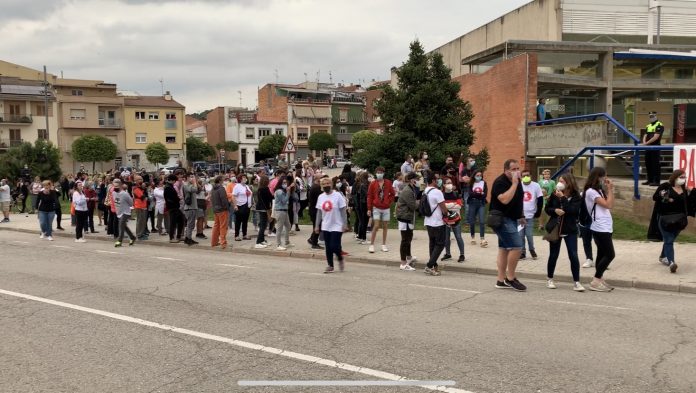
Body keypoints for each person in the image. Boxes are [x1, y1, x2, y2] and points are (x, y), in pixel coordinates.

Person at [490, 159, 527, 291]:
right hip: (501, 219)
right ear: (506, 171)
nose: (517, 171)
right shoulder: (500, 182)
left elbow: (519, 199)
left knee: (504, 249)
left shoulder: (518, 182)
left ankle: (500, 280)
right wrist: (515, 184)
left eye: (518, 168)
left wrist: (521, 215)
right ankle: (510, 278)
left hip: (512, 218)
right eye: (514, 169)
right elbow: (505, 199)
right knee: (517, 246)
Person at [545, 173, 585, 291]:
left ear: (569, 183)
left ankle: (577, 282)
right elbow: (547, 209)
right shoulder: (554, 194)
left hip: (570, 229)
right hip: (556, 228)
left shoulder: (576, 196)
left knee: (573, 255)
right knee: (553, 255)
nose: (560, 183)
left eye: (562, 181)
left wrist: (562, 198)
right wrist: (555, 210)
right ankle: (550, 279)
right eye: (559, 181)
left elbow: (573, 210)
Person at [651, 170, 696, 273]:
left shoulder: (684, 189)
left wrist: (692, 190)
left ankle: (663, 256)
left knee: (669, 240)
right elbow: (655, 197)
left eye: (684, 177)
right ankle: (672, 263)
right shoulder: (665, 186)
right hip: (665, 219)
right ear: (675, 177)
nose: (683, 179)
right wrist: (664, 197)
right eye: (681, 176)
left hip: (679, 220)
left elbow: (691, 202)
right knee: (669, 240)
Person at [583, 167, 615, 292]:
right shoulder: (591, 192)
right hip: (599, 227)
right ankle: (596, 280)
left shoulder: (599, 191)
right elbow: (609, 205)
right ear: (598, 177)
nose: (606, 179)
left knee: (601, 254)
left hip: (606, 225)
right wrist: (611, 189)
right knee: (610, 254)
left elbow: (610, 203)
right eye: (604, 177)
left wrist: (608, 190)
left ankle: (599, 279)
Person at [315, 177, 348, 273]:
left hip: (337, 225)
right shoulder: (321, 197)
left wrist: (344, 224)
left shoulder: (337, 195)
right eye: (324, 184)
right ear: (321, 186)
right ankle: (330, 265)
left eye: (328, 183)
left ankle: (340, 258)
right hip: (326, 225)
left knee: (334, 246)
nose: (326, 186)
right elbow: (319, 213)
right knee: (328, 247)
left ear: (331, 184)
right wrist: (317, 226)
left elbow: (343, 211)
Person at [422, 170, 448, 276]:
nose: (438, 181)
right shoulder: (437, 192)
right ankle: (429, 266)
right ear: (433, 180)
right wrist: (448, 214)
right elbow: (444, 209)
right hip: (438, 222)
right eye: (437, 179)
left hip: (428, 221)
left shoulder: (425, 191)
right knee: (440, 244)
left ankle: (434, 267)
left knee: (432, 244)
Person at [367, 166, 395, 253]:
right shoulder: (373, 183)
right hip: (376, 207)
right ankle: (371, 244)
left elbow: (393, 194)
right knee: (376, 225)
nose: (379, 174)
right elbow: (369, 196)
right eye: (378, 172)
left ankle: (383, 244)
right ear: (376, 173)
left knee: (385, 226)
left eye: (381, 172)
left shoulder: (388, 182)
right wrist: (369, 208)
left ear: (383, 173)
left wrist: (388, 201)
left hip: (386, 208)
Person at [395, 172, 418, 270]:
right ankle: (403, 263)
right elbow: (413, 206)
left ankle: (408, 257)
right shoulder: (408, 190)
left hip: (408, 216)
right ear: (411, 179)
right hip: (404, 217)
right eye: (416, 179)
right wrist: (420, 203)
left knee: (409, 237)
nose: (417, 181)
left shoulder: (411, 188)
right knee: (405, 239)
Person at [519, 169, 543, 260]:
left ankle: (532, 249)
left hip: (530, 215)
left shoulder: (536, 185)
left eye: (527, 175)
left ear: (530, 176)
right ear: (521, 177)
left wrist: (538, 211)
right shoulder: (519, 185)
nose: (526, 177)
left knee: (529, 235)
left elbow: (540, 199)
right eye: (524, 175)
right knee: (520, 235)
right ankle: (522, 252)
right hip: (520, 216)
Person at [442, 177, 465, 263]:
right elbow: (442, 207)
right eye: (447, 183)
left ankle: (462, 254)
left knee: (458, 237)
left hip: (456, 219)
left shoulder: (456, 194)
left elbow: (459, 206)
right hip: (446, 220)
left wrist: (447, 205)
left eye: (450, 183)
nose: (450, 184)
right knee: (446, 238)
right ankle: (448, 254)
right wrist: (453, 204)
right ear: (444, 185)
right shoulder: (441, 195)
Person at [642, 111, 664, 186]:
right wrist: (644, 142)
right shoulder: (648, 126)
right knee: (648, 163)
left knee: (655, 164)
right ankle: (650, 180)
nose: (651, 117)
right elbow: (645, 135)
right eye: (650, 116)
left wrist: (646, 143)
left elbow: (656, 137)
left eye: (653, 116)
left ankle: (656, 181)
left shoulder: (659, 125)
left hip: (655, 146)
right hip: (648, 147)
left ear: (656, 116)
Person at [467, 170, 488, 248]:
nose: (479, 177)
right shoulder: (471, 183)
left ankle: (482, 239)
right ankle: (472, 237)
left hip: (481, 203)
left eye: (480, 175)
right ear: (474, 175)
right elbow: (470, 194)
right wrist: (479, 193)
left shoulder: (484, 183)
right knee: (472, 221)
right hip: (472, 203)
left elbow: (485, 195)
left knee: (482, 221)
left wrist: (476, 194)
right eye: (477, 175)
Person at [113, 182, 136, 247]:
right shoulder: (114, 193)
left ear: (120, 186)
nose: (115, 188)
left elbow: (131, 203)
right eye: (114, 186)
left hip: (125, 212)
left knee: (121, 226)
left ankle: (119, 241)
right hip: (119, 212)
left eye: (117, 186)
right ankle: (132, 237)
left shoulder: (125, 194)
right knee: (124, 227)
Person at [273, 175, 293, 250]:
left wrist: (288, 191)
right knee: (279, 228)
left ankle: (287, 242)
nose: (285, 184)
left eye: (286, 183)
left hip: (284, 211)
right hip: (280, 211)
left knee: (288, 226)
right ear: (280, 183)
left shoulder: (283, 191)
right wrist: (288, 192)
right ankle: (278, 244)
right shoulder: (279, 191)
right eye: (284, 183)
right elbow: (284, 201)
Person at [210, 175, 230, 249]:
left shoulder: (213, 188)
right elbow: (224, 199)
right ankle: (223, 242)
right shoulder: (221, 188)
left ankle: (214, 242)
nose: (224, 181)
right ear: (220, 181)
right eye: (223, 180)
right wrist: (227, 207)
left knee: (216, 226)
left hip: (215, 209)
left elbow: (212, 198)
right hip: (222, 210)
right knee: (223, 226)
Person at [255, 175, 273, 249]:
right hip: (264, 208)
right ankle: (258, 242)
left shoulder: (260, 189)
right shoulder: (265, 189)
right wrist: (268, 210)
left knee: (264, 224)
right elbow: (269, 198)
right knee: (263, 225)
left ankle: (262, 240)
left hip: (260, 207)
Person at [164, 174, 184, 243]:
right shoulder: (168, 187)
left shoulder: (170, 186)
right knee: (173, 223)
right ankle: (171, 238)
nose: (175, 182)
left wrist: (177, 199)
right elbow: (169, 198)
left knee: (181, 220)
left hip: (175, 207)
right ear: (172, 180)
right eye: (174, 181)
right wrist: (178, 199)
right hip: (172, 207)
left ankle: (179, 236)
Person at [233, 174, 252, 241]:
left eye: (245, 178)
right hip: (240, 205)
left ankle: (244, 234)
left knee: (245, 221)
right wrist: (235, 205)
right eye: (243, 178)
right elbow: (234, 196)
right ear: (240, 179)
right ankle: (236, 235)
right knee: (238, 221)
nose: (245, 179)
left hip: (247, 206)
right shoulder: (237, 186)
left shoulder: (246, 186)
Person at [183, 174, 200, 246]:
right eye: (191, 177)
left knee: (191, 224)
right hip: (190, 208)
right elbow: (194, 190)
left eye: (193, 177)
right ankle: (188, 239)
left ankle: (188, 238)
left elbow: (198, 189)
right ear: (187, 178)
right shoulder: (186, 185)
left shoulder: (190, 185)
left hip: (192, 207)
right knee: (190, 224)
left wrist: (195, 183)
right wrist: (194, 182)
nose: (192, 178)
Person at [306, 176, 323, 250]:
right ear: (317, 179)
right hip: (315, 210)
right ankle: (314, 243)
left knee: (317, 226)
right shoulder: (316, 188)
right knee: (318, 227)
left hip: (313, 209)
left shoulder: (315, 186)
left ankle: (312, 239)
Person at [353, 172, 369, 244]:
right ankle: (363, 238)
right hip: (363, 205)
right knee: (364, 222)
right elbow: (366, 195)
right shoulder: (364, 185)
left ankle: (360, 236)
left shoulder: (359, 184)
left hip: (359, 205)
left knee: (361, 221)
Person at [133, 176, 149, 241]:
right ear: (135, 181)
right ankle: (139, 235)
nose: (140, 180)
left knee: (143, 221)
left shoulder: (141, 188)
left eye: (141, 179)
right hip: (139, 206)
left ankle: (142, 233)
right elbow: (143, 197)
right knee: (140, 221)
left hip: (143, 206)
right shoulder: (136, 188)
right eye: (139, 179)